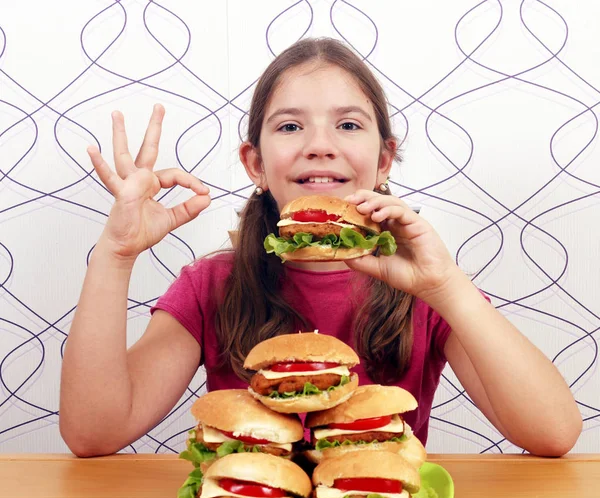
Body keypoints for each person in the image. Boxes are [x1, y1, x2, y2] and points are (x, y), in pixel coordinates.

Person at [59, 38, 581, 458]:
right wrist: (117, 251)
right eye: (290, 126)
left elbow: (553, 434)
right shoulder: (210, 285)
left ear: (384, 161)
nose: (319, 144)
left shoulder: (426, 288)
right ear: (256, 165)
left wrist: (448, 288)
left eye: (349, 124)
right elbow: (93, 434)